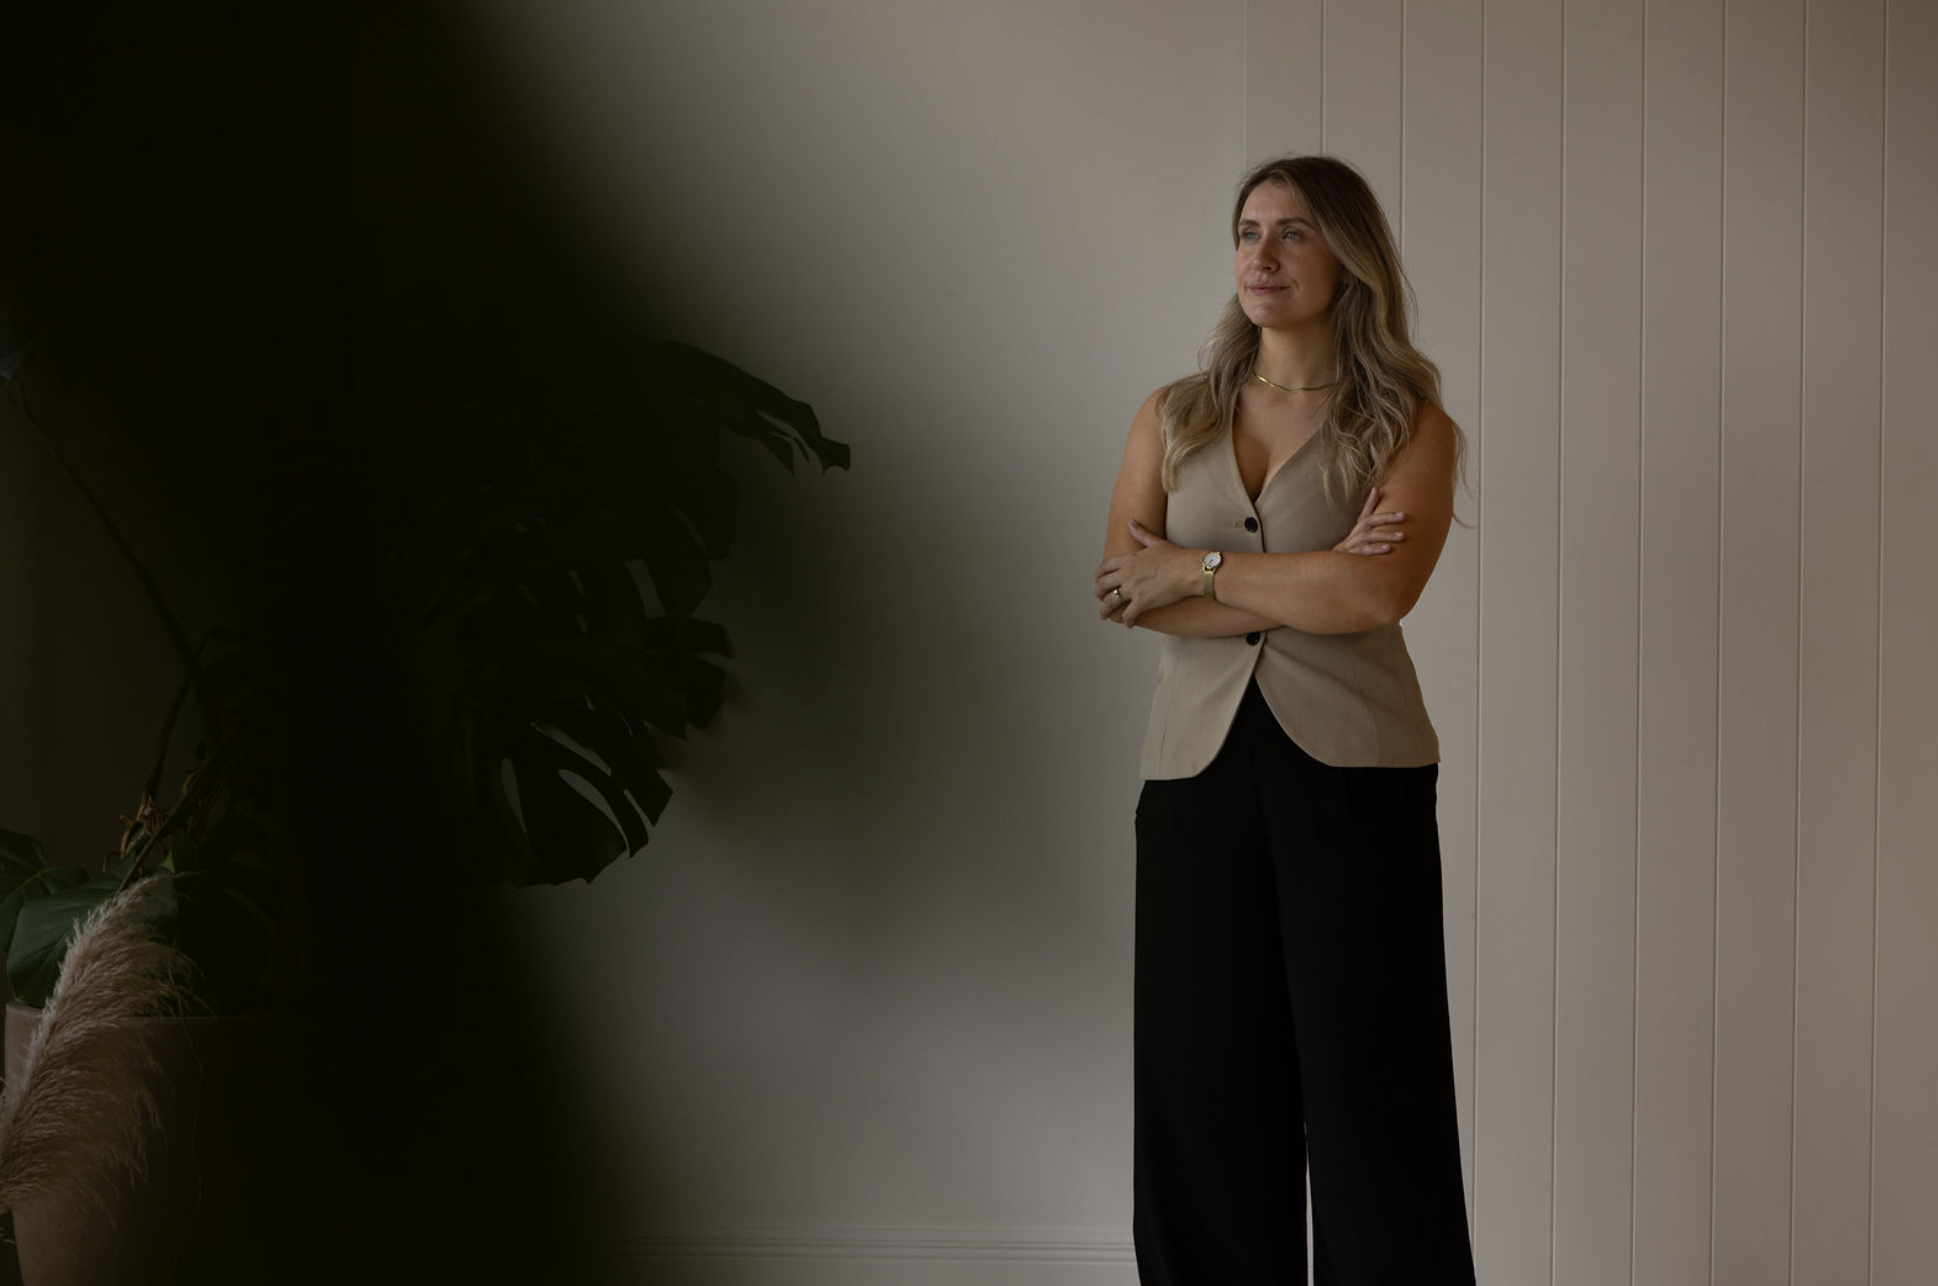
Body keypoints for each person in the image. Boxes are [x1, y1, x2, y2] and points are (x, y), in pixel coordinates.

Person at [1093, 154, 1477, 1285]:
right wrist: (1291, 576)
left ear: (1346, 255)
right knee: (1201, 1087)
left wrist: (1195, 569)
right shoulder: (1172, 415)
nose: (1262, 255)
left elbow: (1375, 595)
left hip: (1357, 776)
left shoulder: (1410, 421)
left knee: (1371, 1088)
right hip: (1192, 779)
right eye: (1249, 231)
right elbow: (1120, 587)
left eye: (1292, 232)